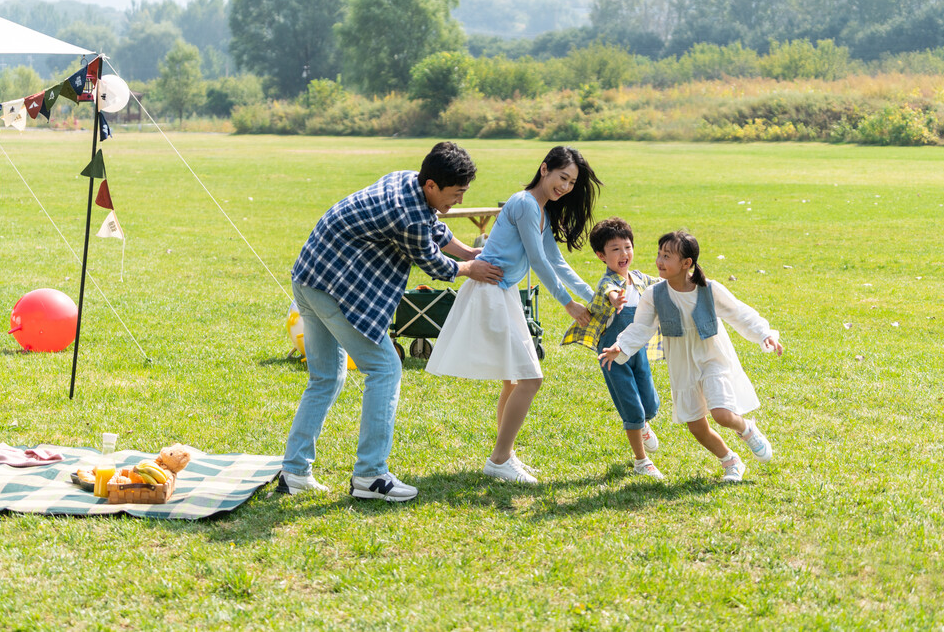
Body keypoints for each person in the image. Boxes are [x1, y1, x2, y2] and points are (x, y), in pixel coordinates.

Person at [280, 142, 503, 501]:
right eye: (455, 193)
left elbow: (436, 229)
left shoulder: (407, 181)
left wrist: (468, 252)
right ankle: (370, 476)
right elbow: (434, 264)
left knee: (325, 378)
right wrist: (470, 267)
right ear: (431, 185)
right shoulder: (407, 216)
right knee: (385, 368)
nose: (458, 202)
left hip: (308, 278)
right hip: (332, 287)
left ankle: (294, 472)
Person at [427, 145, 602, 484]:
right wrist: (568, 304)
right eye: (562, 177)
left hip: (502, 293)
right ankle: (499, 459)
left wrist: (592, 296)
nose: (565, 187)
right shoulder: (523, 204)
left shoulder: (540, 210)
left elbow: (557, 262)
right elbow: (537, 261)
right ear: (544, 169)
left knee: (513, 378)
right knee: (529, 379)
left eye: (571, 183)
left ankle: (504, 456)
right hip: (490, 293)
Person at [599, 230, 783, 483]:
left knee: (721, 413)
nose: (660, 261)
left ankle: (747, 429)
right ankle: (731, 461)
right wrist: (621, 347)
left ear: (687, 264)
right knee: (696, 427)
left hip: (712, 358)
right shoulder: (654, 295)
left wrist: (765, 334)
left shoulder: (709, 289)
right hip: (682, 365)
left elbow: (739, 313)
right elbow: (641, 327)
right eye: (659, 254)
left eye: (668, 256)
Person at [561, 217, 665, 479]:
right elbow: (608, 290)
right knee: (632, 408)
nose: (624, 254)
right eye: (615, 249)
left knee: (651, 406)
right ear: (601, 255)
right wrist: (614, 298)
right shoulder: (608, 283)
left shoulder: (640, 279)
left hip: (635, 349)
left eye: (627, 247)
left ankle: (643, 424)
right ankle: (642, 461)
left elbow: (664, 285)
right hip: (611, 354)